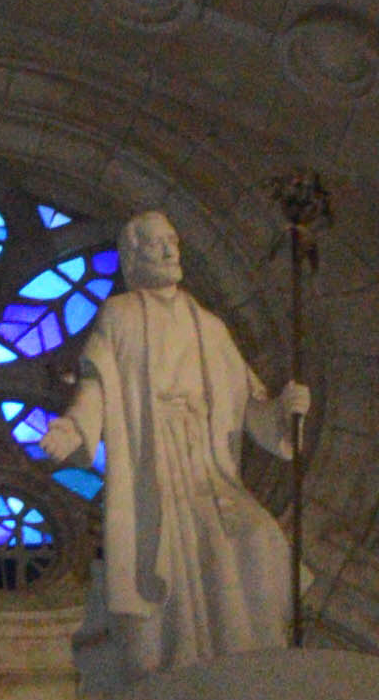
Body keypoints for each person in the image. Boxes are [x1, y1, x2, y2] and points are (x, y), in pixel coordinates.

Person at [23, 208, 309, 669]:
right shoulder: (119, 315)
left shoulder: (210, 326)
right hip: (154, 462)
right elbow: (98, 385)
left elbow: (248, 403)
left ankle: (254, 661)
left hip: (207, 465)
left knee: (259, 541)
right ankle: (186, 658)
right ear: (134, 257)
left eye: (172, 241)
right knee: (170, 558)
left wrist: (283, 412)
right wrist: (74, 428)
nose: (169, 250)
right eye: (156, 243)